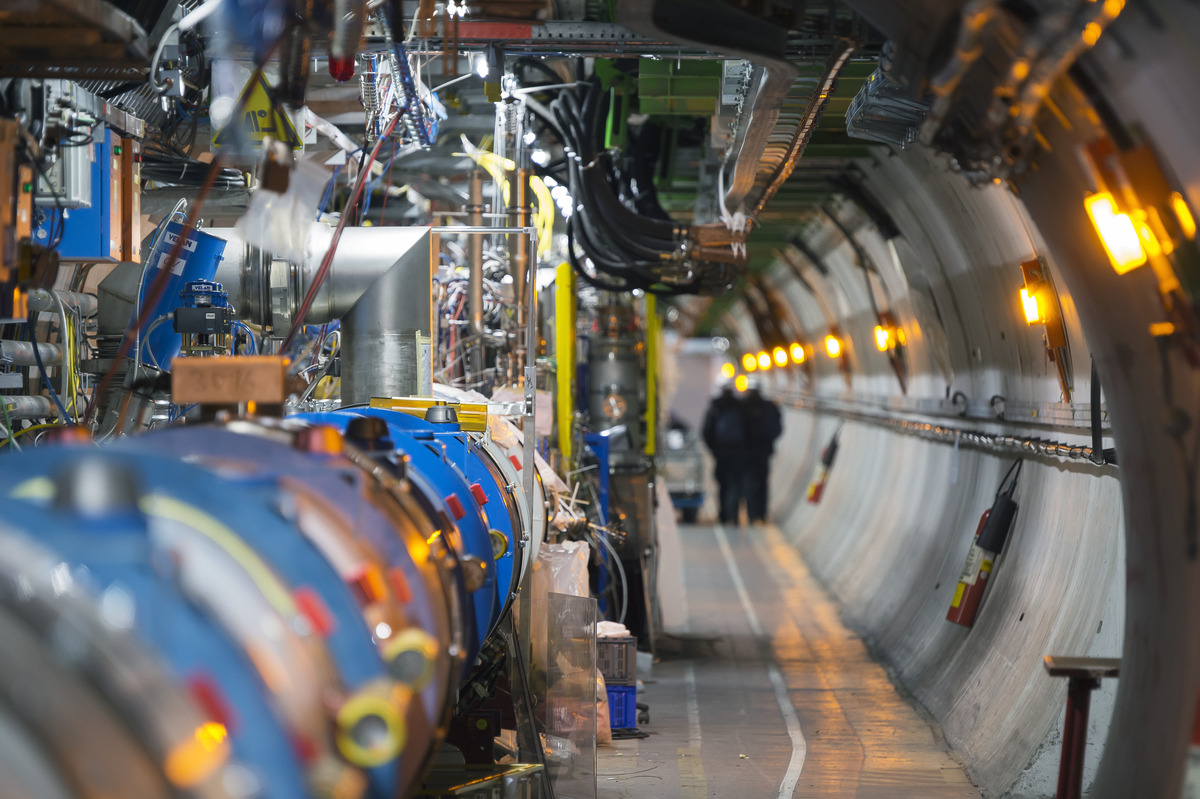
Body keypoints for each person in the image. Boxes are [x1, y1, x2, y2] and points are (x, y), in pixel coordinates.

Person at [702, 378, 748, 525]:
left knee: (722, 484)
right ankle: (734, 515)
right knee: (736, 483)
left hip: (721, 453)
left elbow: (706, 431)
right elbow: (749, 430)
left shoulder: (716, 406)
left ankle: (723, 515)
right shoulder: (740, 406)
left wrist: (714, 449)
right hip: (738, 453)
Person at [742, 377, 783, 524]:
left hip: (746, 452)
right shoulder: (769, 406)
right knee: (763, 481)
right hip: (764, 451)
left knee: (749, 482)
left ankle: (752, 514)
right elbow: (778, 428)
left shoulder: (742, 405)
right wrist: (768, 441)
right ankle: (762, 513)